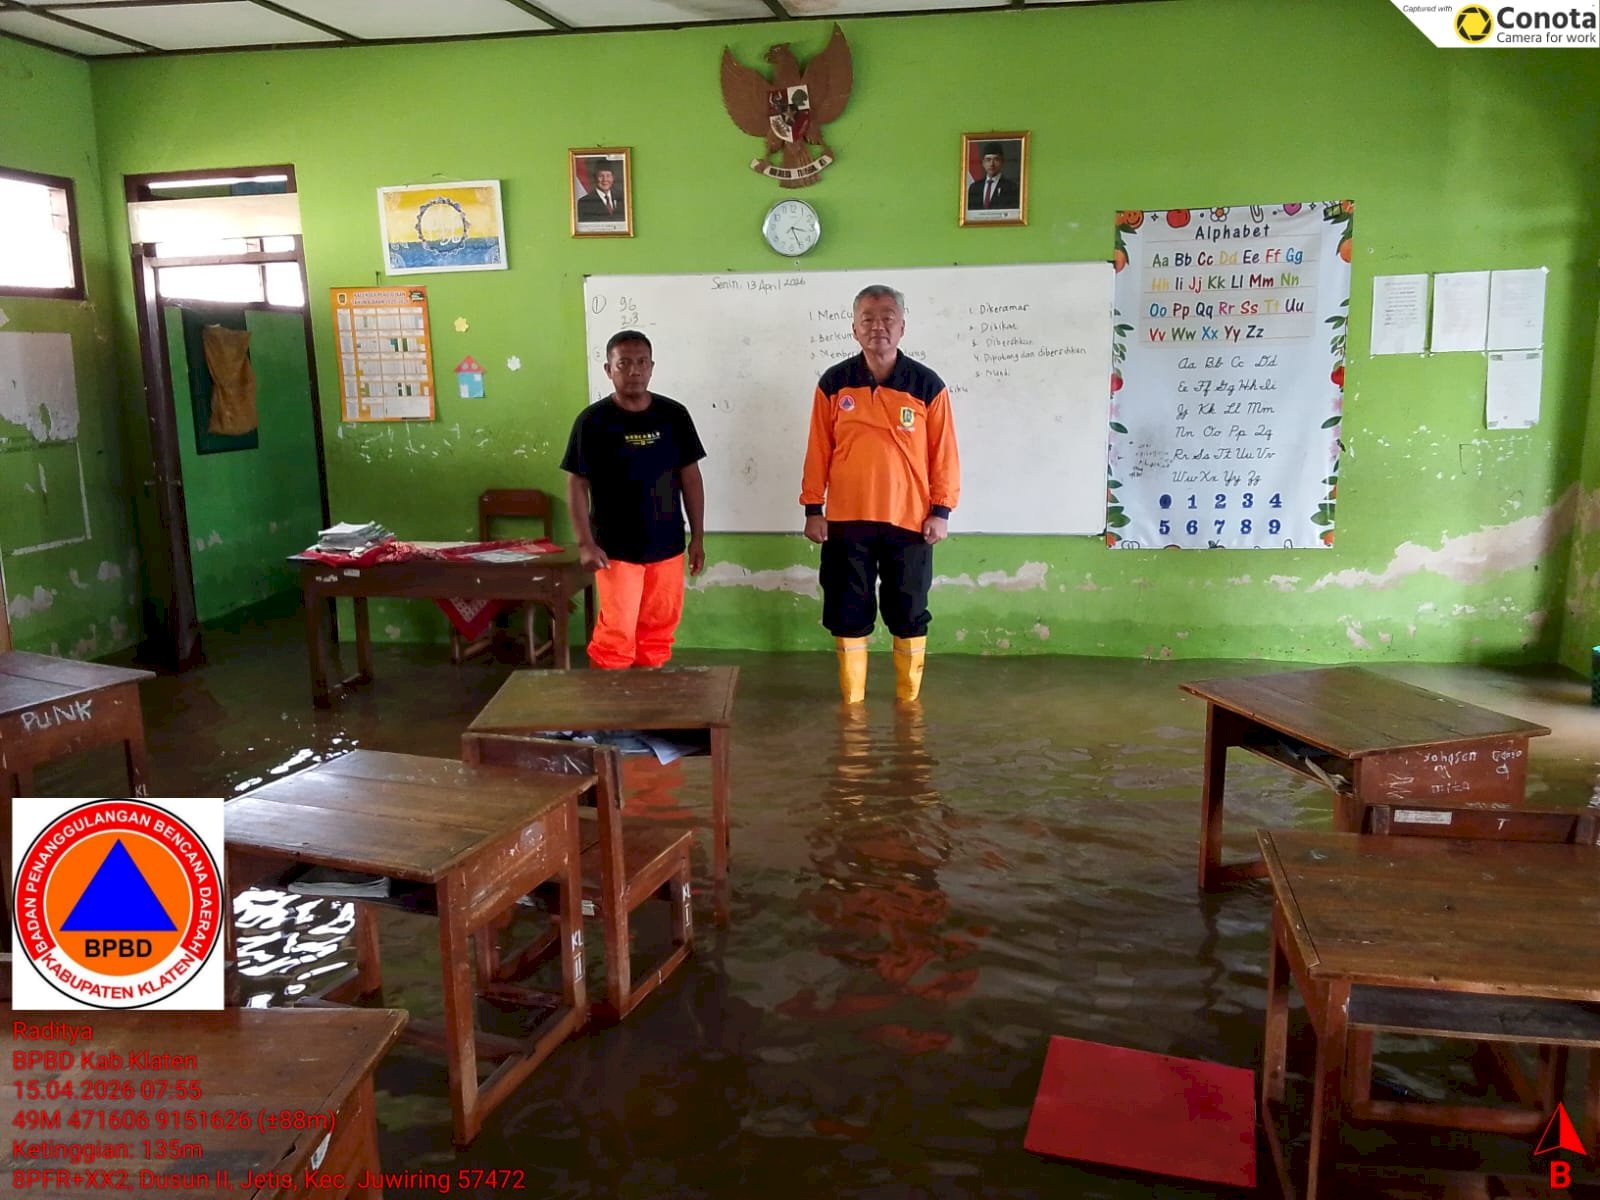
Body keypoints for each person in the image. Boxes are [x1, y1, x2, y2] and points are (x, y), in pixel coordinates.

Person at [799, 285, 961, 704]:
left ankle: (908, 706)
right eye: (868, 318)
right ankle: (852, 711)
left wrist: (941, 511)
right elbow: (818, 449)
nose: (878, 326)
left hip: (909, 522)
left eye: (887, 317)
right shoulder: (834, 383)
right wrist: (813, 508)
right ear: (854, 328)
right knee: (848, 614)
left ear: (902, 326)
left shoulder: (927, 385)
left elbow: (944, 454)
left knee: (909, 613)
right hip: (846, 522)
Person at [563, 331, 705, 669]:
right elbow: (576, 485)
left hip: (668, 546)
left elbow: (691, 478)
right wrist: (585, 543)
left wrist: (697, 537)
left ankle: (648, 709)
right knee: (616, 636)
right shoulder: (592, 422)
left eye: (641, 362)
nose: (634, 370)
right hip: (615, 550)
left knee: (657, 635)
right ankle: (611, 717)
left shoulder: (674, 416)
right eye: (623, 363)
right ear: (608, 369)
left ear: (652, 367)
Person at [965, 142, 1018, 212]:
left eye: (996, 159)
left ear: (1002, 162)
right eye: (988, 160)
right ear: (983, 163)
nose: (991, 164)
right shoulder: (974, 188)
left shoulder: (1012, 188)